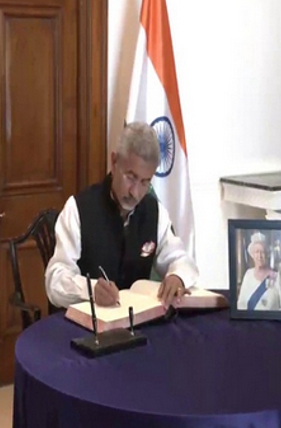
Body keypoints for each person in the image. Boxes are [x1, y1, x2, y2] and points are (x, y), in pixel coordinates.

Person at [44, 122, 199, 309]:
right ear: (114, 161)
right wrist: (91, 290)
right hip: (88, 327)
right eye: (131, 177)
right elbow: (55, 280)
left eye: (145, 182)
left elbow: (181, 259)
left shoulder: (154, 212)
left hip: (138, 325)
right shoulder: (78, 208)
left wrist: (177, 276)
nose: (135, 192)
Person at [236, 232, 281, 311]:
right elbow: (240, 304)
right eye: (257, 252)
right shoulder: (248, 274)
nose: (259, 256)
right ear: (253, 255)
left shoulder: (276, 277)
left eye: (262, 252)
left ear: (267, 254)